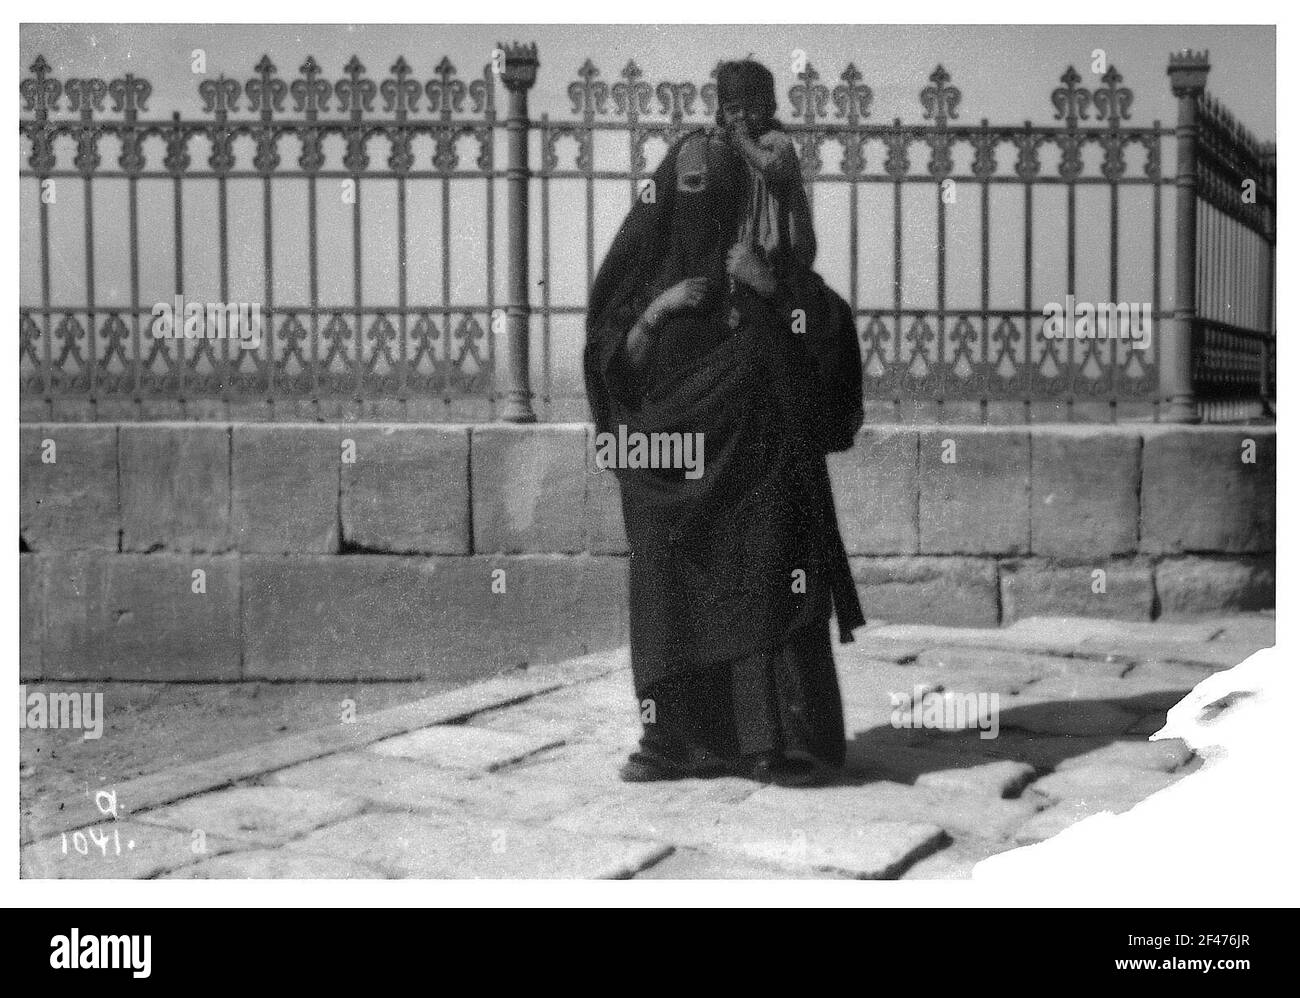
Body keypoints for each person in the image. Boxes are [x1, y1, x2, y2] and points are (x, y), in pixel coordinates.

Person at [584, 63, 865, 788]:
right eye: (734, 112)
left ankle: (785, 739)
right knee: (670, 571)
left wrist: (771, 286)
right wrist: (664, 307)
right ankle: (676, 741)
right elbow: (612, 323)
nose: (745, 126)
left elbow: (820, 313)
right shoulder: (682, 176)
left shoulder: (776, 209)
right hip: (675, 429)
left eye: (758, 113)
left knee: (776, 563)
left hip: (759, 424)